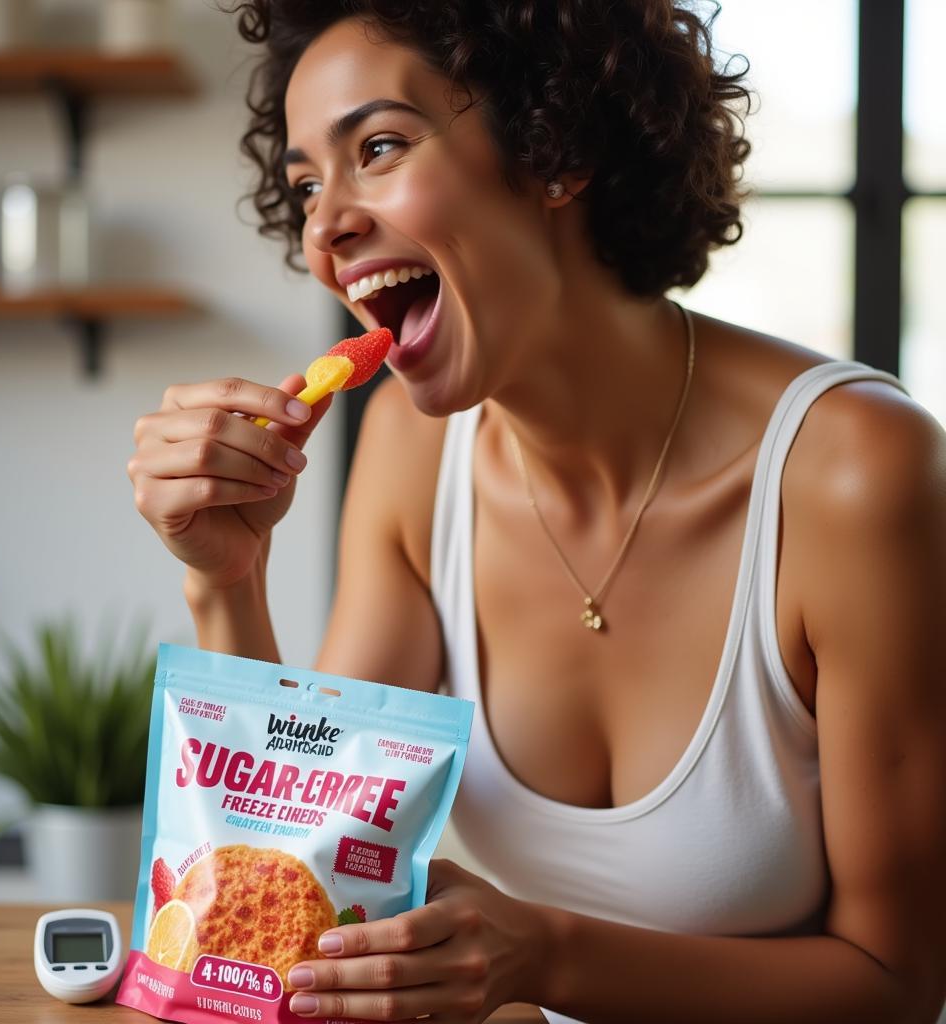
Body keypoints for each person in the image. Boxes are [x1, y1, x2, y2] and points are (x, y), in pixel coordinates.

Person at [126, 2, 946, 1021]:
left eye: (376, 147)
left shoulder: (854, 471)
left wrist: (548, 956)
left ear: (554, 147)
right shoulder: (410, 452)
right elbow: (308, 862)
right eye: (304, 185)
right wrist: (224, 575)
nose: (324, 228)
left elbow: (896, 984)